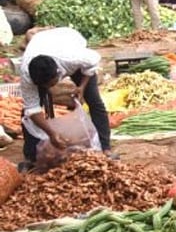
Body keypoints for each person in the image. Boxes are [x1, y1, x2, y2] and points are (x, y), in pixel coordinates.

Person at [19, 28, 112, 170]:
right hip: (41, 44)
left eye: (51, 84)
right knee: (26, 112)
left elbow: (93, 62)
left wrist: (82, 86)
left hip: (68, 39)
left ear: (58, 74)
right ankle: (31, 157)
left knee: (94, 101)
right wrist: (52, 133)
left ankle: (105, 148)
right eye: (43, 86)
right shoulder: (27, 74)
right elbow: (32, 109)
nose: (49, 88)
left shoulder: (73, 58)